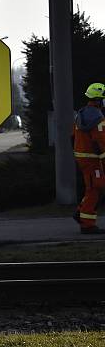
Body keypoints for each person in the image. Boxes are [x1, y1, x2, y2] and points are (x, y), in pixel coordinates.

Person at [72, 83, 105, 234]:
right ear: (99, 100)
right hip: (92, 160)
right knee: (95, 188)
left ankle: (81, 212)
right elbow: (101, 141)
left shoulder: (81, 115)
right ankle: (87, 224)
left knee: (93, 186)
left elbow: (73, 137)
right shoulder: (98, 118)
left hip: (83, 158)